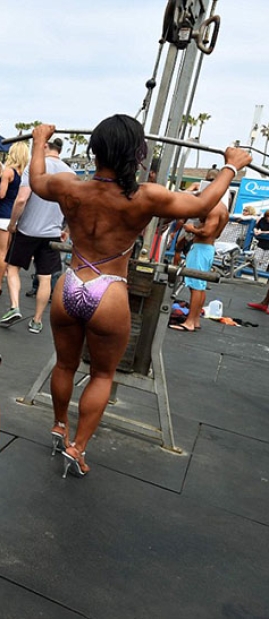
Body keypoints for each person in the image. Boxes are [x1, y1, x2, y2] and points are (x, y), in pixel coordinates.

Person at [27, 116, 251, 478]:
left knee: (65, 365)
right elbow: (200, 205)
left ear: (95, 149)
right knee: (102, 374)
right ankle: (77, 447)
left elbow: (36, 181)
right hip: (108, 290)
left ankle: (59, 425)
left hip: (70, 284)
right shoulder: (143, 196)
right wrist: (230, 166)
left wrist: (40, 140)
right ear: (136, 153)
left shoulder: (71, 187)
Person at [0, 136, 74, 333]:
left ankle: (15, 306)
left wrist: (12, 223)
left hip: (27, 229)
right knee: (45, 277)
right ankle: (37, 320)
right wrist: (65, 229)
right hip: (52, 232)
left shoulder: (34, 167)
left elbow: (22, 199)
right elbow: (72, 207)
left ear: (43, 146)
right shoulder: (70, 173)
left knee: (13, 268)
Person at [169, 200, 229, 332]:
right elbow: (216, 234)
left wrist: (191, 229)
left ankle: (190, 322)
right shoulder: (224, 210)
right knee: (200, 286)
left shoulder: (214, 209)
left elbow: (207, 232)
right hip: (207, 248)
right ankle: (195, 320)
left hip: (201, 249)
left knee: (195, 286)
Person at [0, 142, 30, 300]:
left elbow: (1, 194)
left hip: (3, 214)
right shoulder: (24, 173)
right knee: (6, 252)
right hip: (16, 216)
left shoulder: (8, 172)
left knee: (0, 253)